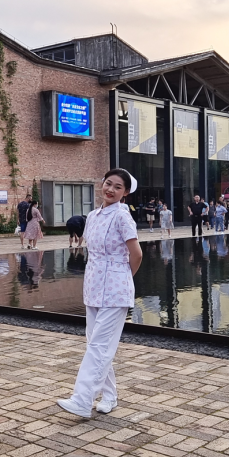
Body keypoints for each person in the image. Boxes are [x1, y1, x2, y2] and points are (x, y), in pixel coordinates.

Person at [57, 168, 142, 419]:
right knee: (97, 345)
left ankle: (82, 400)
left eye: (118, 187)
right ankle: (110, 395)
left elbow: (136, 254)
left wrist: (123, 278)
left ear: (125, 193)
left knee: (99, 346)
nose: (111, 190)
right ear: (102, 183)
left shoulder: (122, 216)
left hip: (115, 289)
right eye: (108, 183)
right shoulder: (93, 216)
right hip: (94, 286)